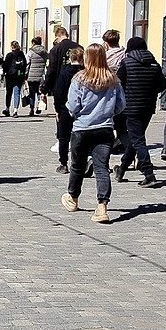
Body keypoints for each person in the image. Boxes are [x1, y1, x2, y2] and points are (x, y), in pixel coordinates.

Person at [62, 44, 126, 224]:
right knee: (101, 167)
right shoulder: (113, 79)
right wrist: (108, 112)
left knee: (77, 165)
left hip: (82, 128)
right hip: (105, 129)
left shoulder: (79, 79)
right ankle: (102, 207)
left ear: (86, 58)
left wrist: (74, 113)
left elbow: (73, 105)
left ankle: (73, 198)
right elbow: (121, 105)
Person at [113, 37, 166, 186]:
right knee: (135, 139)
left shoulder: (127, 63)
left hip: (131, 107)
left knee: (137, 140)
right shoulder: (154, 64)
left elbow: (118, 83)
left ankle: (149, 173)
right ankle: (122, 168)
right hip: (148, 107)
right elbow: (163, 84)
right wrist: (150, 91)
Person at [44, 45, 84, 173]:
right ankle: (81, 161)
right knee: (81, 137)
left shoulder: (65, 72)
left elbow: (58, 91)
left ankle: (63, 163)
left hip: (65, 109)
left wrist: (57, 109)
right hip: (83, 110)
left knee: (63, 138)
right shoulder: (85, 72)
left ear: (70, 58)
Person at [1, 41, 28, 117]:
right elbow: (25, 65)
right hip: (19, 75)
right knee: (17, 92)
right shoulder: (21, 54)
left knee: (9, 92)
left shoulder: (9, 55)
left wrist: (3, 74)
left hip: (10, 76)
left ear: (11, 47)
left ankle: (7, 109)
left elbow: (5, 65)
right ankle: (15, 110)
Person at [25, 35, 48, 115]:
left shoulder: (31, 52)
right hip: (41, 75)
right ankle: (40, 107)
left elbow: (27, 63)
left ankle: (31, 109)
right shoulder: (44, 52)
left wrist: (25, 73)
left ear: (33, 43)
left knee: (31, 93)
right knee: (40, 91)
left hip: (32, 75)